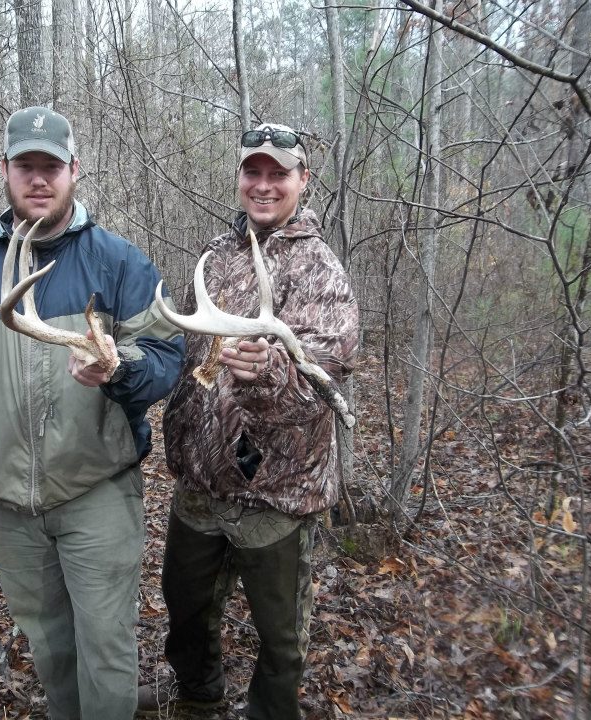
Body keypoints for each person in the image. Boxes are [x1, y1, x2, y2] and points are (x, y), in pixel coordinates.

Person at [0, 106, 184, 720]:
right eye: (25, 167)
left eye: (51, 168)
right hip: (9, 501)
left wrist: (119, 370)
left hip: (97, 490)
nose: (39, 179)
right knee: (50, 645)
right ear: (4, 170)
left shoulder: (118, 262)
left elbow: (166, 356)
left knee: (106, 648)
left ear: (74, 171)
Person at [138, 123, 359, 719]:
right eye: (252, 172)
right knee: (185, 610)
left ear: (302, 181)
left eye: (278, 174)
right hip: (203, 486)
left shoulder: (321, 271)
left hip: (277, 494)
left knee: (279, 638)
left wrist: (269, 374)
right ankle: (198, 700)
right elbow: (189, 356)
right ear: (239, 177)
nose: (263, 186)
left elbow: (323, 381)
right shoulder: (218, 255)